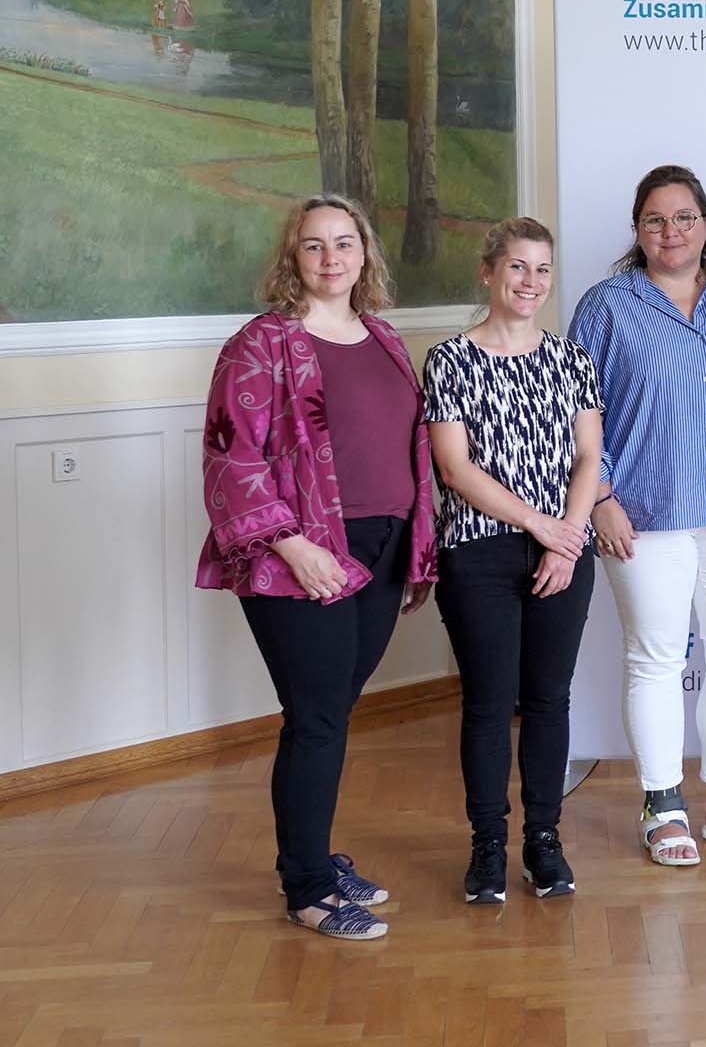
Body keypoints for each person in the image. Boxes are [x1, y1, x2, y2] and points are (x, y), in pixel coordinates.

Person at [195, 194, 437, 941]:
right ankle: (306, 888)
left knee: (328, 714)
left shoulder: (386, 338)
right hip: (300, 556)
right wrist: (293, 546)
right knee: (318, 718)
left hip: (384, 548)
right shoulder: (262, 342)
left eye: (344, 243)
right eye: (313, 246)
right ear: (292, 258)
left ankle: (315, 856)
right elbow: (230, 455)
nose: (331, 258)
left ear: (365, 253)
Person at [569, 165, 706, 867]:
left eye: (684, 217)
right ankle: (663, 807)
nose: (672, 232)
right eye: (656, 220)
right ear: (638, 231)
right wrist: (599, 499)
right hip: (643, 516)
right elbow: (576, 413)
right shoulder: (607, 306)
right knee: (658, 660)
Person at [425, 218, 603, 903]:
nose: (532, 282)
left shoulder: (570, 360)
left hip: (564, 545)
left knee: (549, 700)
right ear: (489, 272)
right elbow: (454, 466)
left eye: (543, 270)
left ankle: (544, 841)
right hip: (478, 551)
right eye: (519, 268)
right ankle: (488, 846)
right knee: (489, 703)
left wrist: (571, 535)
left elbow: (589, 456)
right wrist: (542, 526)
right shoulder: (450, 360)